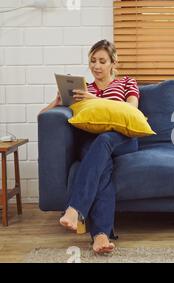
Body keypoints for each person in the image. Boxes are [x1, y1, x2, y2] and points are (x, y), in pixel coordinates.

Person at [40, 39, 140, 254]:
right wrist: (57, 102)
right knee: (101, 165)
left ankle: (76, 208)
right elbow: (42, 117)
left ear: (113, 62)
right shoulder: (82, 88)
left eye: (102, 61)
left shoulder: (127, 83)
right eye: (93, 61)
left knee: (103, 140)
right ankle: (101, 236)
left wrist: (94, 99)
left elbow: (132, 109)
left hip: (122, 137)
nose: (96, 66)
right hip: (91, 141)